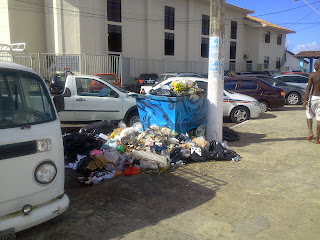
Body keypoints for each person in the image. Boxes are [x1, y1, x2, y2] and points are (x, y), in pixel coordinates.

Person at [302, 59, 320, 144]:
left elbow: (308, 88)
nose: (314, 66)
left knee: (309, 115)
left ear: (318, 65)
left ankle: (310, 132)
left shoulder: (313, 75)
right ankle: (317, 139)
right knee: (319, 119)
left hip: (313, 98)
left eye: (315, 65)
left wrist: (304, 101)